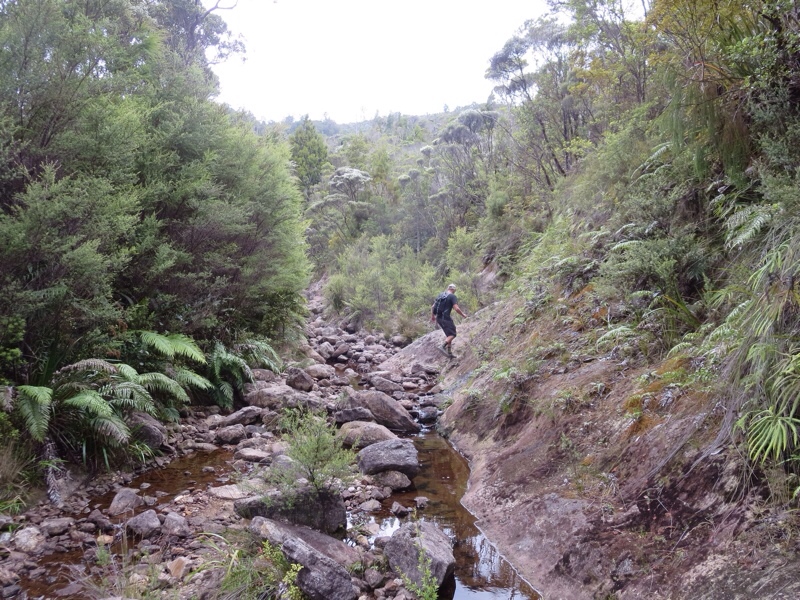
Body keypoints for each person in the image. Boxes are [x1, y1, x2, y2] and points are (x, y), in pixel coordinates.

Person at [431, 283, 467, 357]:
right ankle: (442, 346)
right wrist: (463, 315)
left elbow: (433, 306)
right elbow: (456, 308)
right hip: (445, 318)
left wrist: (432, 316)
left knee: (449, 334)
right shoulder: (452, 296)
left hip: (438, 318)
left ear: (448, 288)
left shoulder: (441, 295)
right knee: (453, 334)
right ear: (454, 289)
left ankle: (449, 353)